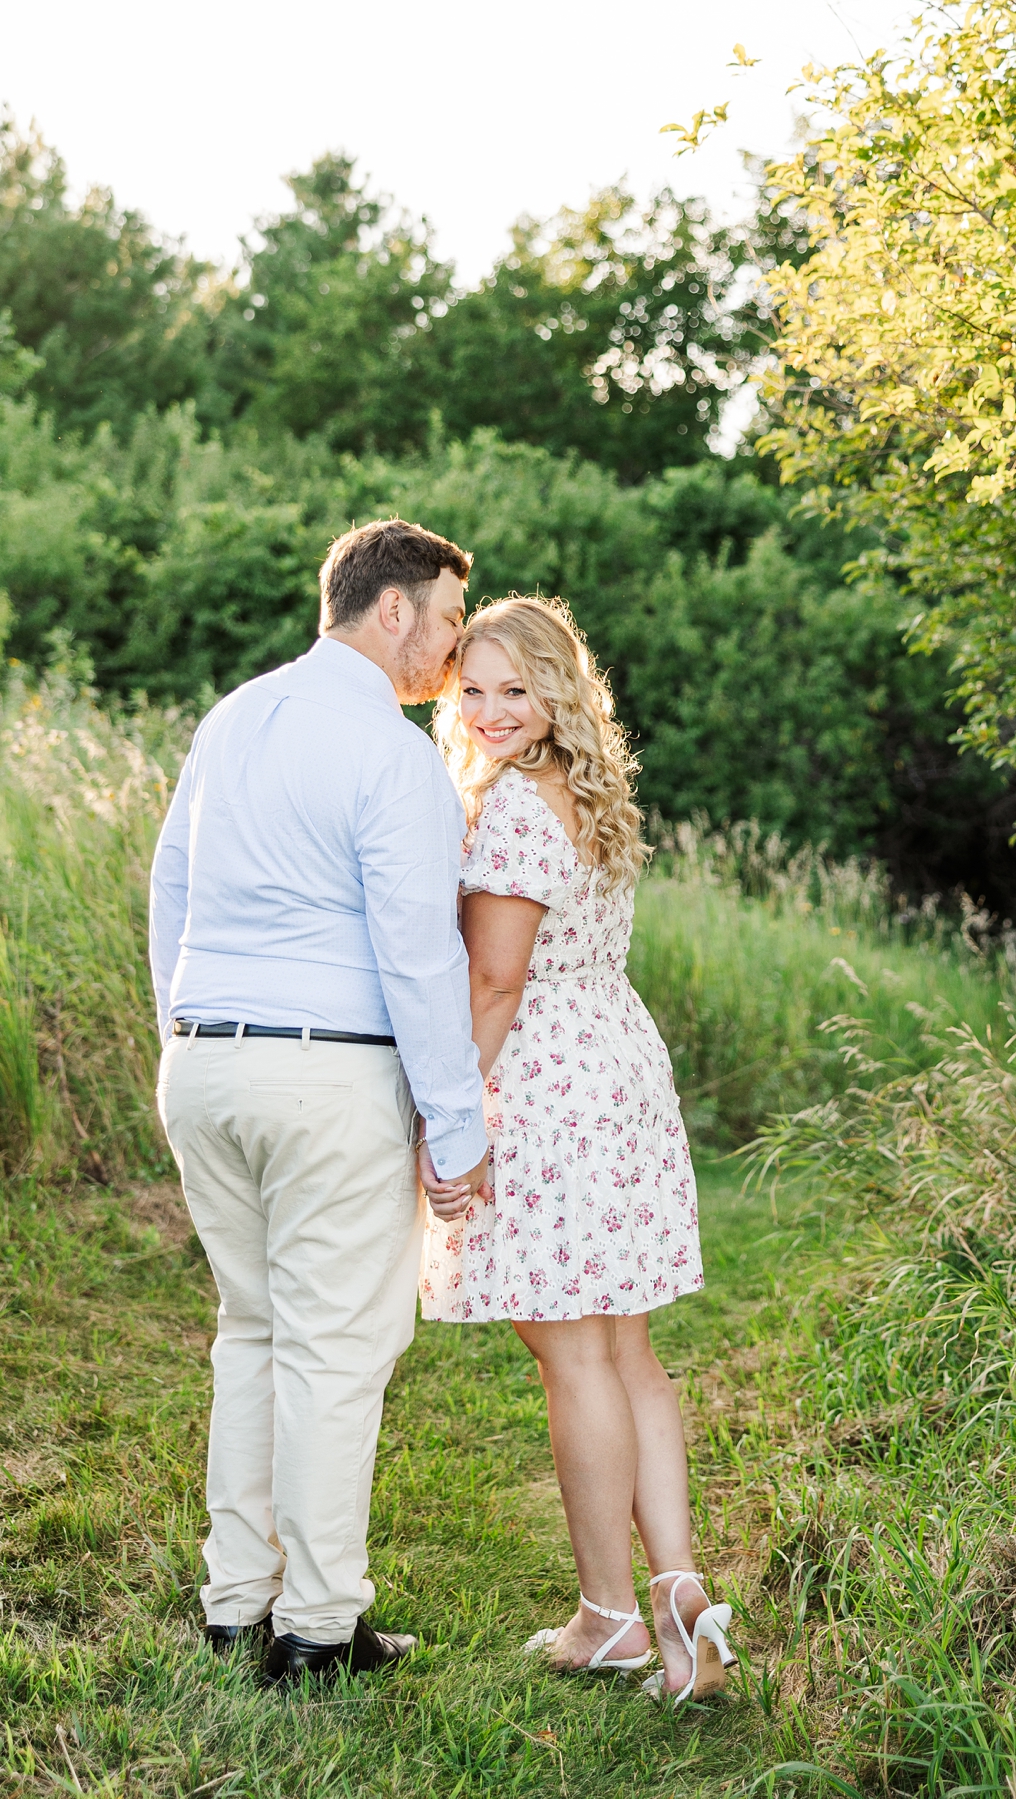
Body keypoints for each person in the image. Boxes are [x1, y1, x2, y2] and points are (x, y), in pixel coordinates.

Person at [150, 518, 492, 1688]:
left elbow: (171, 894)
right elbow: (418, 956)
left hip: (204, 1060)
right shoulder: (393, 756)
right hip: (328, 1066)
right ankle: (316, 1630)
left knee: (251, 1331)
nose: (452, 653)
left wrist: (184, 1040)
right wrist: (458, 1124)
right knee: (336, 1353)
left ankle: (233, 1606)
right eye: (448, 620)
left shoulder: (232, 716)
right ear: (390, 608)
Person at [420, 596, 735, 1704]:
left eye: (519, 688)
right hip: (618, 1067)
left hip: (546, 1083)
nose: (495, 710)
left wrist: (445, 1113)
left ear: (560, 691)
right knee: (628, 1352)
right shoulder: (591, 794)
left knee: (577, 1360)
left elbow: (497, 980)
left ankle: (611, 1617)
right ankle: (680, 1588)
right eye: (476, 688)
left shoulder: (509, 808)